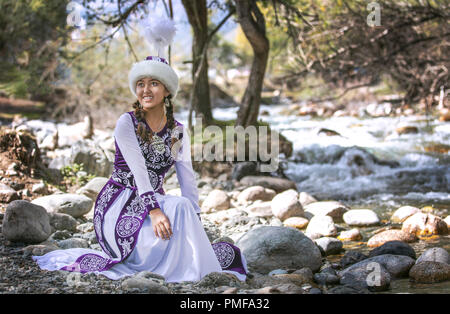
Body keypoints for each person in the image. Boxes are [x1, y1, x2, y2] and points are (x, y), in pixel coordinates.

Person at [32, 55, 248, 283]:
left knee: (184, 208)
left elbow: (187, 180)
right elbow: (139, 172)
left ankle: (192, 267)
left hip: (154, 200)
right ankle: (179, 267)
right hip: (118, 205)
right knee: (176, 216)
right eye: (140, 84)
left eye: (154, 83)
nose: (146, 89)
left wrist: (196, 224)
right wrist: (155, 212)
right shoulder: (127, 123)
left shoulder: (177, 132)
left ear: (167, 91)